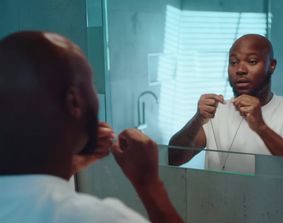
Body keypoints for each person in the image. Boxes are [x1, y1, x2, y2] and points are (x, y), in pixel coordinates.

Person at [0, 31, 183, 223]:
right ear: (74, 102)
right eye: (92, 84)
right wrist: (149, 184)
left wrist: (66, 166)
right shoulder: (93, 217)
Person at [169, 34, 283, 173]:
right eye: (233, 62)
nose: (240, 69)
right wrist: (197, 120)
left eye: (252, 61)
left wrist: (261, 127)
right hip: (218, 204)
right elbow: (173, 159)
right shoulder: (216, 112)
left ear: (272, 65)